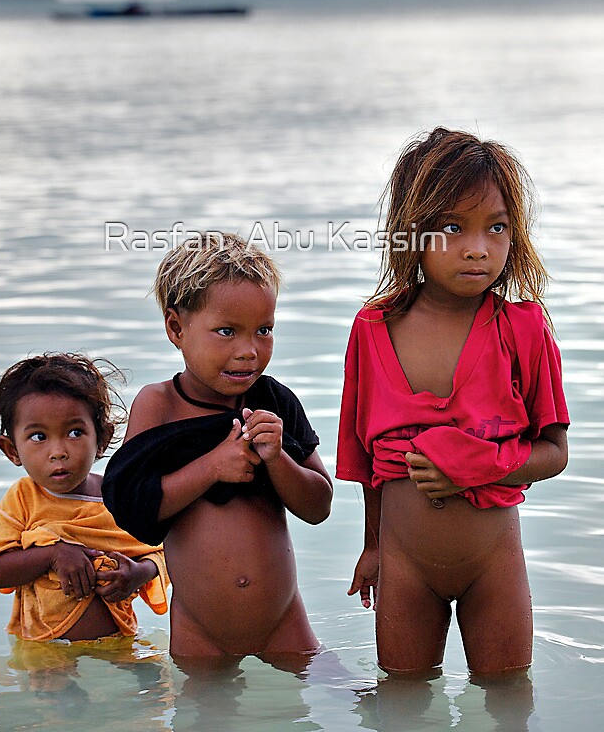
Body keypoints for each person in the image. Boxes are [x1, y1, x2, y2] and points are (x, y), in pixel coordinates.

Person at [336, 127, 569, 677]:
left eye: (496, 228)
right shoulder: (374, 328)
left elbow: (554, 452)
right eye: (451, 227)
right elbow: (370, 466)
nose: (477, 247)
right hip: (404, 566)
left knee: (509, 695)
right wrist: (372, 548)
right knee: (404, 696)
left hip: (494, 565)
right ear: (410, 234)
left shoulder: (524, 329)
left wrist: (475, 467)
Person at [102, 232, 333, 661]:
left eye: (264, 330)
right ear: (176, 327)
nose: (249, 351)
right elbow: (133, 508)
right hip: (199, 631)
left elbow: (319, 506)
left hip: (284, 622)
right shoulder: (160, 405)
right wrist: (212, 466)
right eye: (226, 331)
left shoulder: (274, 402)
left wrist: (277, 458)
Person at [0, 353, 170, 642]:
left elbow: (163, 552)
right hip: (48, 652)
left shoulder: (118, 496)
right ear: (12, 450)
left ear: (102, 439)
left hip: (118, 645)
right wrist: (54, 554)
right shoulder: (22, 498)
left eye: (75, 432)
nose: (58, 451)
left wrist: (139, 573)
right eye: (38, 437)